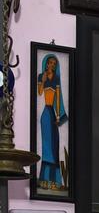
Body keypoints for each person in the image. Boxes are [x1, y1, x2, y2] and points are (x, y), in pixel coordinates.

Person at [37, 53, 67, 191]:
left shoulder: (56, 79)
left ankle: (54, 180)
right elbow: (39, 92)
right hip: (45, 115)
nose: (52, 65)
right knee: (46, 147)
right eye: (50, 63)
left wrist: (59, 116)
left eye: (54, 64)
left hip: (52, 114)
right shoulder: (41, 76)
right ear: (46, 64)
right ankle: (44, 179)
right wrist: (42, 81)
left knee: (54, 146)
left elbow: (59, 98)